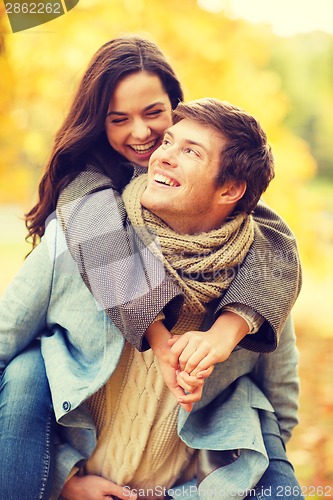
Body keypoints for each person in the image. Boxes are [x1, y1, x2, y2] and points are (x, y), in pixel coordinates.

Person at [0, 35, 301, 498]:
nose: (143, 137)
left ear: (178, 108)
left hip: (182, 479)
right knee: (25, 371)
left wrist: (225, 333)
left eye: (155, 116)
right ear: (99, 125)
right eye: (119, 119)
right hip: (79, 458)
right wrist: (63, 479)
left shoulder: (245, 242)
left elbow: (274, 243)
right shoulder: (87, 208)